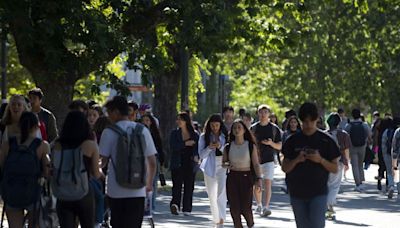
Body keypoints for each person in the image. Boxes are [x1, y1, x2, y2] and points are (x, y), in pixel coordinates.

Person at [99, 96, 157, 228]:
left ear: (116, 112)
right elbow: (152, 162)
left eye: (109, 113)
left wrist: (97, 173)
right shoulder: (142, 130)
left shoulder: (109, 132)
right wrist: (148, 184)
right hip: (138, 189)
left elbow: (102, 161)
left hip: (115, 189)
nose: (108, 117)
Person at [282, 102, 341, 228]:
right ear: (301, 121)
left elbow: (335, 168)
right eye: (305, 122)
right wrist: (297, 159)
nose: (308, 125)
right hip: (297, 192)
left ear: (317, 120)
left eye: (311, 121)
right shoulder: (292, 141)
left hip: (318, 192)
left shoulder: (327, 140)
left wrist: (320, 160)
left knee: (317, 225)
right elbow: (285, 167)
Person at [0, 112, 50, 228]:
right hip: (33, 192)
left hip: (11, 191)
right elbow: (47, 171)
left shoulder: (8, 144)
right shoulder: (42, 145)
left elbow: (1, 167)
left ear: (19, 125)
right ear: (37, 126)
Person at [52, 111, 102, 228]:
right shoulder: (90, 145)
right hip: (83, 190)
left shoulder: (58, 145)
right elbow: (96, 173)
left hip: (63, 190)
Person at [223, 119, 262, 228]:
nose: (236, 130)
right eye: (234, 128)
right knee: (234, 208)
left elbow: (256, 164)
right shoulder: (228, 146)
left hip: (246, 177)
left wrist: (259, 180)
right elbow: (224, 163)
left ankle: (250, 224)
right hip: (233, 177)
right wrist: (227, 165)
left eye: (239, 127)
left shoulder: (250, 146)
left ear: (244, 130)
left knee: (245, 207)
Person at [251, 104, 282, 217]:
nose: (263, 114)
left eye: (265, 112)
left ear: (269, 114)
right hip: (256, 160)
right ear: (258, 113)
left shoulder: (274, 129)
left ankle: (266, 207)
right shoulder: (253, 128)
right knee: (257, 184)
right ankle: (258, 205)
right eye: (261, 112)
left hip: (269, 160)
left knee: (267, 184)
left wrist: (271, 143)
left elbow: (279, 146)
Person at [198, 114, 228, 227]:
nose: (215, 127)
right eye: (212, 125)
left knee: (221, 192)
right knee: (212, 194)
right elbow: (201, 154)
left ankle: (221, 218)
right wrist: (209, 147)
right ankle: (216, 218)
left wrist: (220, 146)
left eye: (217, 125)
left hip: (222, 165)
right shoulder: (203, 137)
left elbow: (228, 151)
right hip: (209, 166)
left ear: (220, 125)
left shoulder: (225, 136)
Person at [169, 112, 199, 216]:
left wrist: (196, 156)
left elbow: (197, 148)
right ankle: (175, 205)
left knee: (189, 186)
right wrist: (185, 144)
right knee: (176, 186)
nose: (178, 121)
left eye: (180, 119)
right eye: (177, 119)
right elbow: (173, 146)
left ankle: (187, 208)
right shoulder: (174, 133)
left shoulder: (194, 134)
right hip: (177, 162)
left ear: (186, 121)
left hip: (189, 163)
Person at [325, 113, 351, 218]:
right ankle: (330, 204)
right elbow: (346, 150)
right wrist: (347, 162)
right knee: (335, 185)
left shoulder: (323, 134)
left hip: (324, 162)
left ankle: (326, 204)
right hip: (338, 162)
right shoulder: (344, 134)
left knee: (326, 183)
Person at [141, 113, 165, 210]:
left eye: (147, 120)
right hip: (141, 160)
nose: (145, 122)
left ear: (151, 122)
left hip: (154, 159)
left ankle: (151, 205)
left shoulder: (155, 134)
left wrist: (162, 161)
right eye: (143, 120)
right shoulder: (138, 131)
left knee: (153, 183)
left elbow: (160, 148)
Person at [345, 108, 372, 192]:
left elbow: (345, 135)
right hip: (362, 146)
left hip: (352, 147)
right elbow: (369, 135)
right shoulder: (364, 124)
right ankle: (361, 181)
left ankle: (358, 183)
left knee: (355, 165)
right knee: (360, 164)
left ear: (352, 115)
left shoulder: (349, 125)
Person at [381, 117, 397, 198]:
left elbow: (383, 144)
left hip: (388, 154)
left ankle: (391, 186)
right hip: (398, 155)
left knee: (389, 171)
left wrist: (384, 155)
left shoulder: (387, 131)